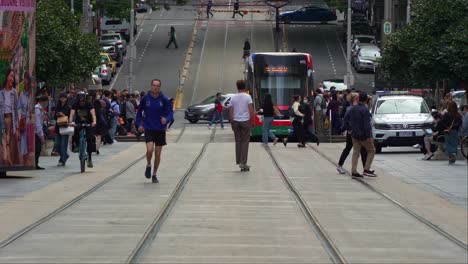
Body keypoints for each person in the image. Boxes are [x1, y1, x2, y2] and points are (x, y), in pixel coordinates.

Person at [136, 79, 174, 183]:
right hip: (149, 128)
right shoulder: (145, 98)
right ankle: (148, 164)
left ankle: (154, 174)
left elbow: (171, 112)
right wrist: (139, 124)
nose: (155, 87)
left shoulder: (164, 99)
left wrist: (166, 119)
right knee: (150, 150)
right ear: (151, 86)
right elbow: (139, 113)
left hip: (160, 129)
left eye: (157, 86)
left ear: (160, 87)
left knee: (157, 154)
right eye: (154, 85)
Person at [344, 92, 376, 178]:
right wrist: (368, 136)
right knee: (371, 150)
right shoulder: (365, 110)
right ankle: (366, 169)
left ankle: (354, 170)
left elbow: (346, 119)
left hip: (354, 134)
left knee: (356, 152)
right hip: (363, 135)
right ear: (366, 100)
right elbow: (367, 125)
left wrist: (349, 129)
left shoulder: (353, 108)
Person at [337, 92, 368, 174]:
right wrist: (348, 129)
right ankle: (340, 165)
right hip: (352, 132)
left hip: (358, 132)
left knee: (363, 150)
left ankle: (365, 168)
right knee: (348, 148)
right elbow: (346, 120)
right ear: (354, 99)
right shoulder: (350, 108)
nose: (359, 99)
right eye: (357, 98)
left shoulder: (359, 107)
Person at [229, 80, 255, 171]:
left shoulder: (233, 98)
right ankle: (243, 162)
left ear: (237, 87)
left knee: (238, 141)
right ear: (245, 87)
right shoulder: (248, 97)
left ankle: (239, 161)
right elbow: (251, 110)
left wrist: (232, 122)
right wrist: (252, 121)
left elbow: (231, 110)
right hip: (245, 121)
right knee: (245, 141)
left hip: (235, 121)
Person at [69, 92, 97, 168]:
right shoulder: (75, 105)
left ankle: (89, 157)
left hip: (88, 123)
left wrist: (94, 122)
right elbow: (71, 114)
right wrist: (70, 122)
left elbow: (93, 114)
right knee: (75, 134)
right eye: (80, 101)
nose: (82, 102)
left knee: (89, 138)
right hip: (79, 123)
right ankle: (77, 146)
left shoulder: (89, 104)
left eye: (83, 101)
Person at [0, 68, 20, 166]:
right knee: (4, 139)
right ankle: (5, 159)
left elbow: (16, 110)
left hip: (11, 119)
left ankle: (8, 160)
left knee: (10, 140)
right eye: (11, 76)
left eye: (13, 77)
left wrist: (17, 127)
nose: (12, 78)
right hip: (3, 119)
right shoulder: (1, 93)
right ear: (7, 77)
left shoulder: (14, 92)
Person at [18, 71, 34, 166]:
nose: (25, 80)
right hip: (24, 121)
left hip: (31, 121)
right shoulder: (22, 94)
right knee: (24, 141)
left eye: (26, 78)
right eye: (24, 78)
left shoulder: (32, 94)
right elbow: (18, 107)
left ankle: (28, 159)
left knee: (29, 141)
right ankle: (25, 160)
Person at [54, 92, 71, 166]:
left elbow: (70, 117)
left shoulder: (68, 107)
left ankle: (62, 160)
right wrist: (57, 114)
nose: (62, 99)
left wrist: (64, 115)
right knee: (57, 144)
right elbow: (54, 116)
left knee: (63, 144)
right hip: (58, 126)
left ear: (66, 99)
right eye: (61, 97)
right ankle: (65, 155)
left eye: (64, 98)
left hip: (65, 127)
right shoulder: (57, 106)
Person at [34, 96, 49, 170]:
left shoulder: (40, 109)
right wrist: (41, 135)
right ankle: (35, 164)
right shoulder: (37, 109)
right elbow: (38, 123)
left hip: (37, 131)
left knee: (38, 148)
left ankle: (36, 163)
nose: (47, 104)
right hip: (35, 132)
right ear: (44, 102)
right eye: (47, 102)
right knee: (37, 148)